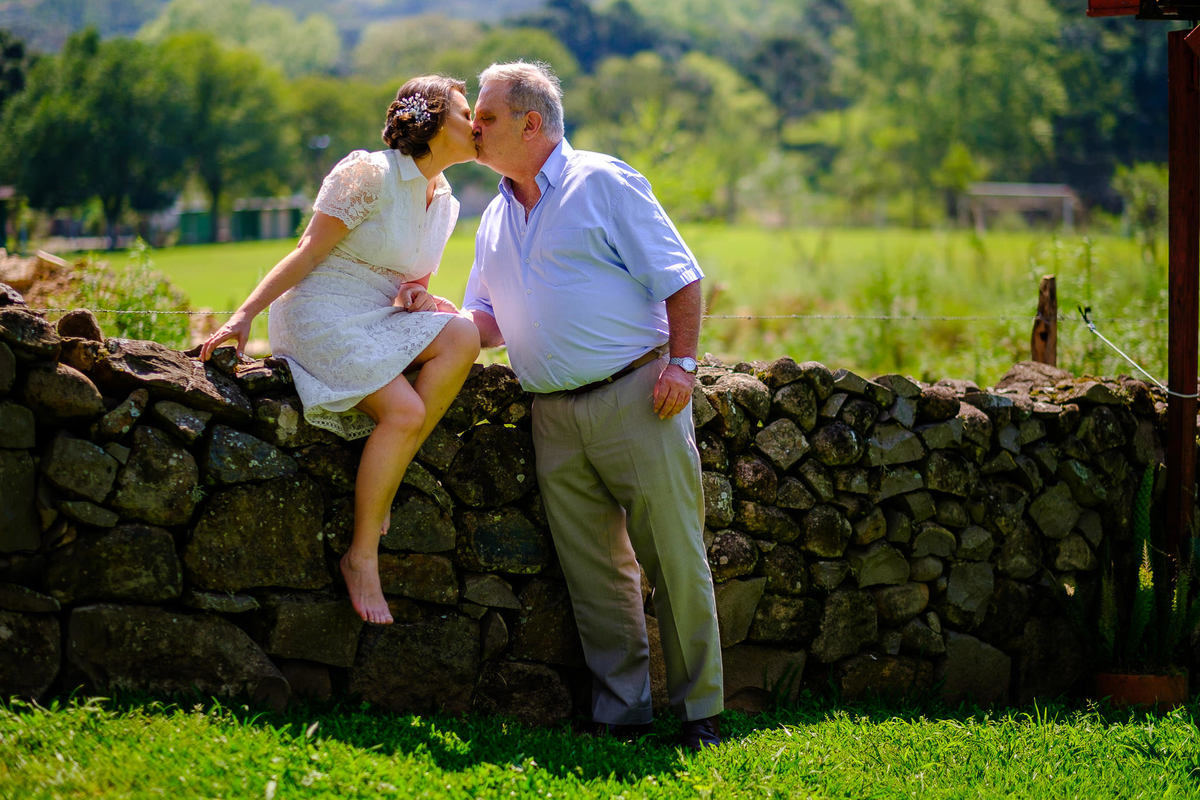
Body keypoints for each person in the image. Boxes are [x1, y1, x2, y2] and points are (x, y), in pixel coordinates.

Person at [463, 61, 723, 750]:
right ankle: (621, 716)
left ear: (531, 123)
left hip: (639, 398)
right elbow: (485, 322)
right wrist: (423, 314)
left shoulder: (602, 181)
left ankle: (700, 715)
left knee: (674, 558)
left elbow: (681, 277)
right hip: (551, 414)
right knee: (595, 575)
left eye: (486, 117)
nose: (473, 127)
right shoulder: (493, 216)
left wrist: (683, 366)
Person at [199, 76, 481, 626]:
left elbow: (412, 281)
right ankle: (361, 556)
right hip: (319, 311)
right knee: (405, 412)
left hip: (374, 314)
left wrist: (418, 295)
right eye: (466, 113)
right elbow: (307, 252)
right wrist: (244, 314)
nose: (476, 125)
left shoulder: (446, 202)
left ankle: (388, 477)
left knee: (463, 334)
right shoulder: (369, 172)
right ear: (432, 120)